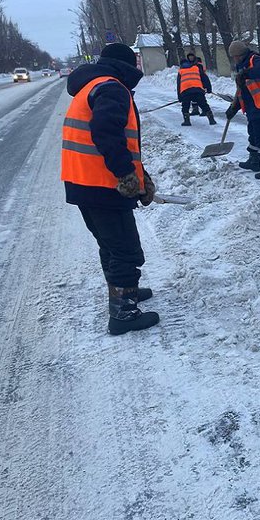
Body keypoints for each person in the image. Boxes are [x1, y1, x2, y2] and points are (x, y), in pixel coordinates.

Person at [62, 43, 160, 335]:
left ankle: (124, 292)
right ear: (128, 68)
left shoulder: (91, 84)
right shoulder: (111, 87)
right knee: (126, 249)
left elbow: (120, 142)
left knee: (111, 244)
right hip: (103, 185)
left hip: (85, 182)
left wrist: (142, 176)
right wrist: (126, 176)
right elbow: (107, 134)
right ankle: (123, 313)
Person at [225, 40, 260, 179]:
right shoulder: (241, 66)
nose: (234, 59)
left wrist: (247, 73)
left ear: (241, 54)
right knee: (253, 135)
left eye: (235, 56)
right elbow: (241, 92)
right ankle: (254, 161)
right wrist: (233, 108)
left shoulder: (255, 60)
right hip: (252, 108)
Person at [177, 57, 216, 126]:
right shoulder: (196, 68)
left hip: (185, 91)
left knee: (185, 106)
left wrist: (180, 97)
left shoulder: (181, 71)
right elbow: (204, 78)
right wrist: (208, 88)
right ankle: (211, 119)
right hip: (198, 90)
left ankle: (187, 121)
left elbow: (179, 85)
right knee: (203, 104)